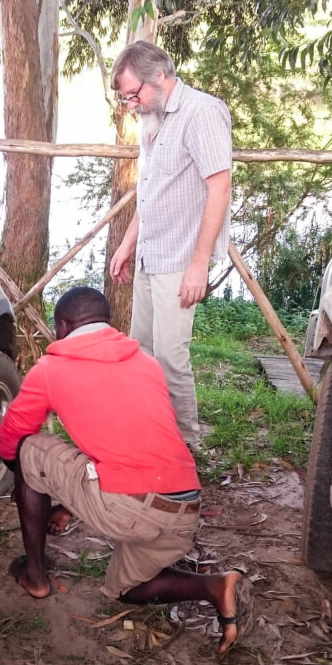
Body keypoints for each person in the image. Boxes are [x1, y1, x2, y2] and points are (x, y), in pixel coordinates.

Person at [0, 286, 252, 657]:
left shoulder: (51, 369)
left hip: (129, 508)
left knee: (30, 449)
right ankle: (215, 587)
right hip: (183, 510)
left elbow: (11, 440)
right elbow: (127, 440)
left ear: (63, 326)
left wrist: (23, 482)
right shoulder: (145, 362)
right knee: (124, 589)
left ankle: (35, 576)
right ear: (106, 324)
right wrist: (67, 500)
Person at [108, 42, 232, 450]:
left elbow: (219, 188)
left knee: (170, 360)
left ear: (159, 76)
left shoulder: (201, 113)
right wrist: (128, 244)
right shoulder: (152, 118)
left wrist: (199, 266)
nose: (131, 104)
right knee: (141, 353)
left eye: (134, 94)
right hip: (150, 253)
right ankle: (150, 439)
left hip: (180, 259)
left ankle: (186, 450)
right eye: (126, 97)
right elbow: (151, 192)